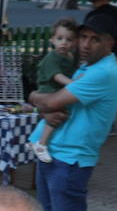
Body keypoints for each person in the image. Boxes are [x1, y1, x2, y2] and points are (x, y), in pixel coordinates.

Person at [28, 8, 117, 211]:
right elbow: (51, 104)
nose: (85, 44)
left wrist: (35, 98)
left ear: (110, 43)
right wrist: (44, 106)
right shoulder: (86, 67)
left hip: (72, 160)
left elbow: (52, 101)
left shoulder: (103, 72)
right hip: (55, 154)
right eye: (83, 37)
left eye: (94, 39)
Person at [29, 19, 80, 164]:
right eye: (59, 38)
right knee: (58, 115)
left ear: (75, 42)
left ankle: (35, 140)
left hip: (56, 89)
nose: (64, 42)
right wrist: (72, 84)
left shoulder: (69, 57)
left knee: (53, 117)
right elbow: (56, 76)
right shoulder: (53, 56)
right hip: (48, 89)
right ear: (52, 40)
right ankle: (41, 143)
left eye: (69, 39)